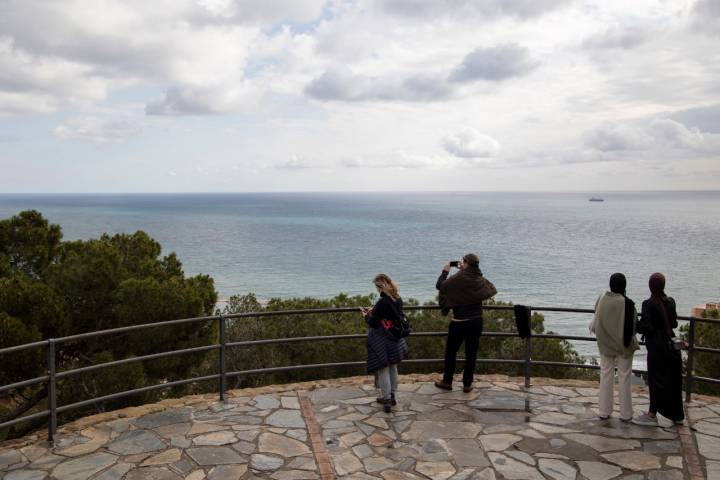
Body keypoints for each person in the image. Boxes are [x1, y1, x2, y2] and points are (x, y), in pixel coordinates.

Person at [434, 253, 496, 392]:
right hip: (476, 321)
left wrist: (445, 271)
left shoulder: (459, 278)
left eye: (463, 262)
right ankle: (467, 384)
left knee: (451, 352)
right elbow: (489, 287)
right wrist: (464, 270)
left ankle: (447, 382)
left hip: (460, 322)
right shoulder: (478, 278)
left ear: (466, 263)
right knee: (471, 353)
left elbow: (440, 286)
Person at [633, 272, 684, 426]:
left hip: (656, 346)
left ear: (650, 286)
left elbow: (647, 327)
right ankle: (677, 415)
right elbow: (674, 323)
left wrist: (637, 324)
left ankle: (652, 414)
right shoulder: (671, 302)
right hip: (671, 344)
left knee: (656, 380)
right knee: (673, 380)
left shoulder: (648, 304)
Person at [590, 273, 638, 422]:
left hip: (604, 343)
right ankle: (625, 414)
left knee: (606, 375)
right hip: (623, 346)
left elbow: (596, 315)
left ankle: (604, 411)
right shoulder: (628, 303)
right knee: (624, 377)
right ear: (624, 286)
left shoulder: (602, 298)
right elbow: (634, 327)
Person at [361, 273, 408, 413]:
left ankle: (386, 399)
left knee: (383, 368)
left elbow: (374, 323)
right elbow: (388, 315)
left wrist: (366, 316)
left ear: (380, 287)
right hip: (395, 338)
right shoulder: (397, 298)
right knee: (393, 366)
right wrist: (374, 311)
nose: (376, 289)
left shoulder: (382, 302)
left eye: (376, 287)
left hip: (382, 338)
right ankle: (392, 395)